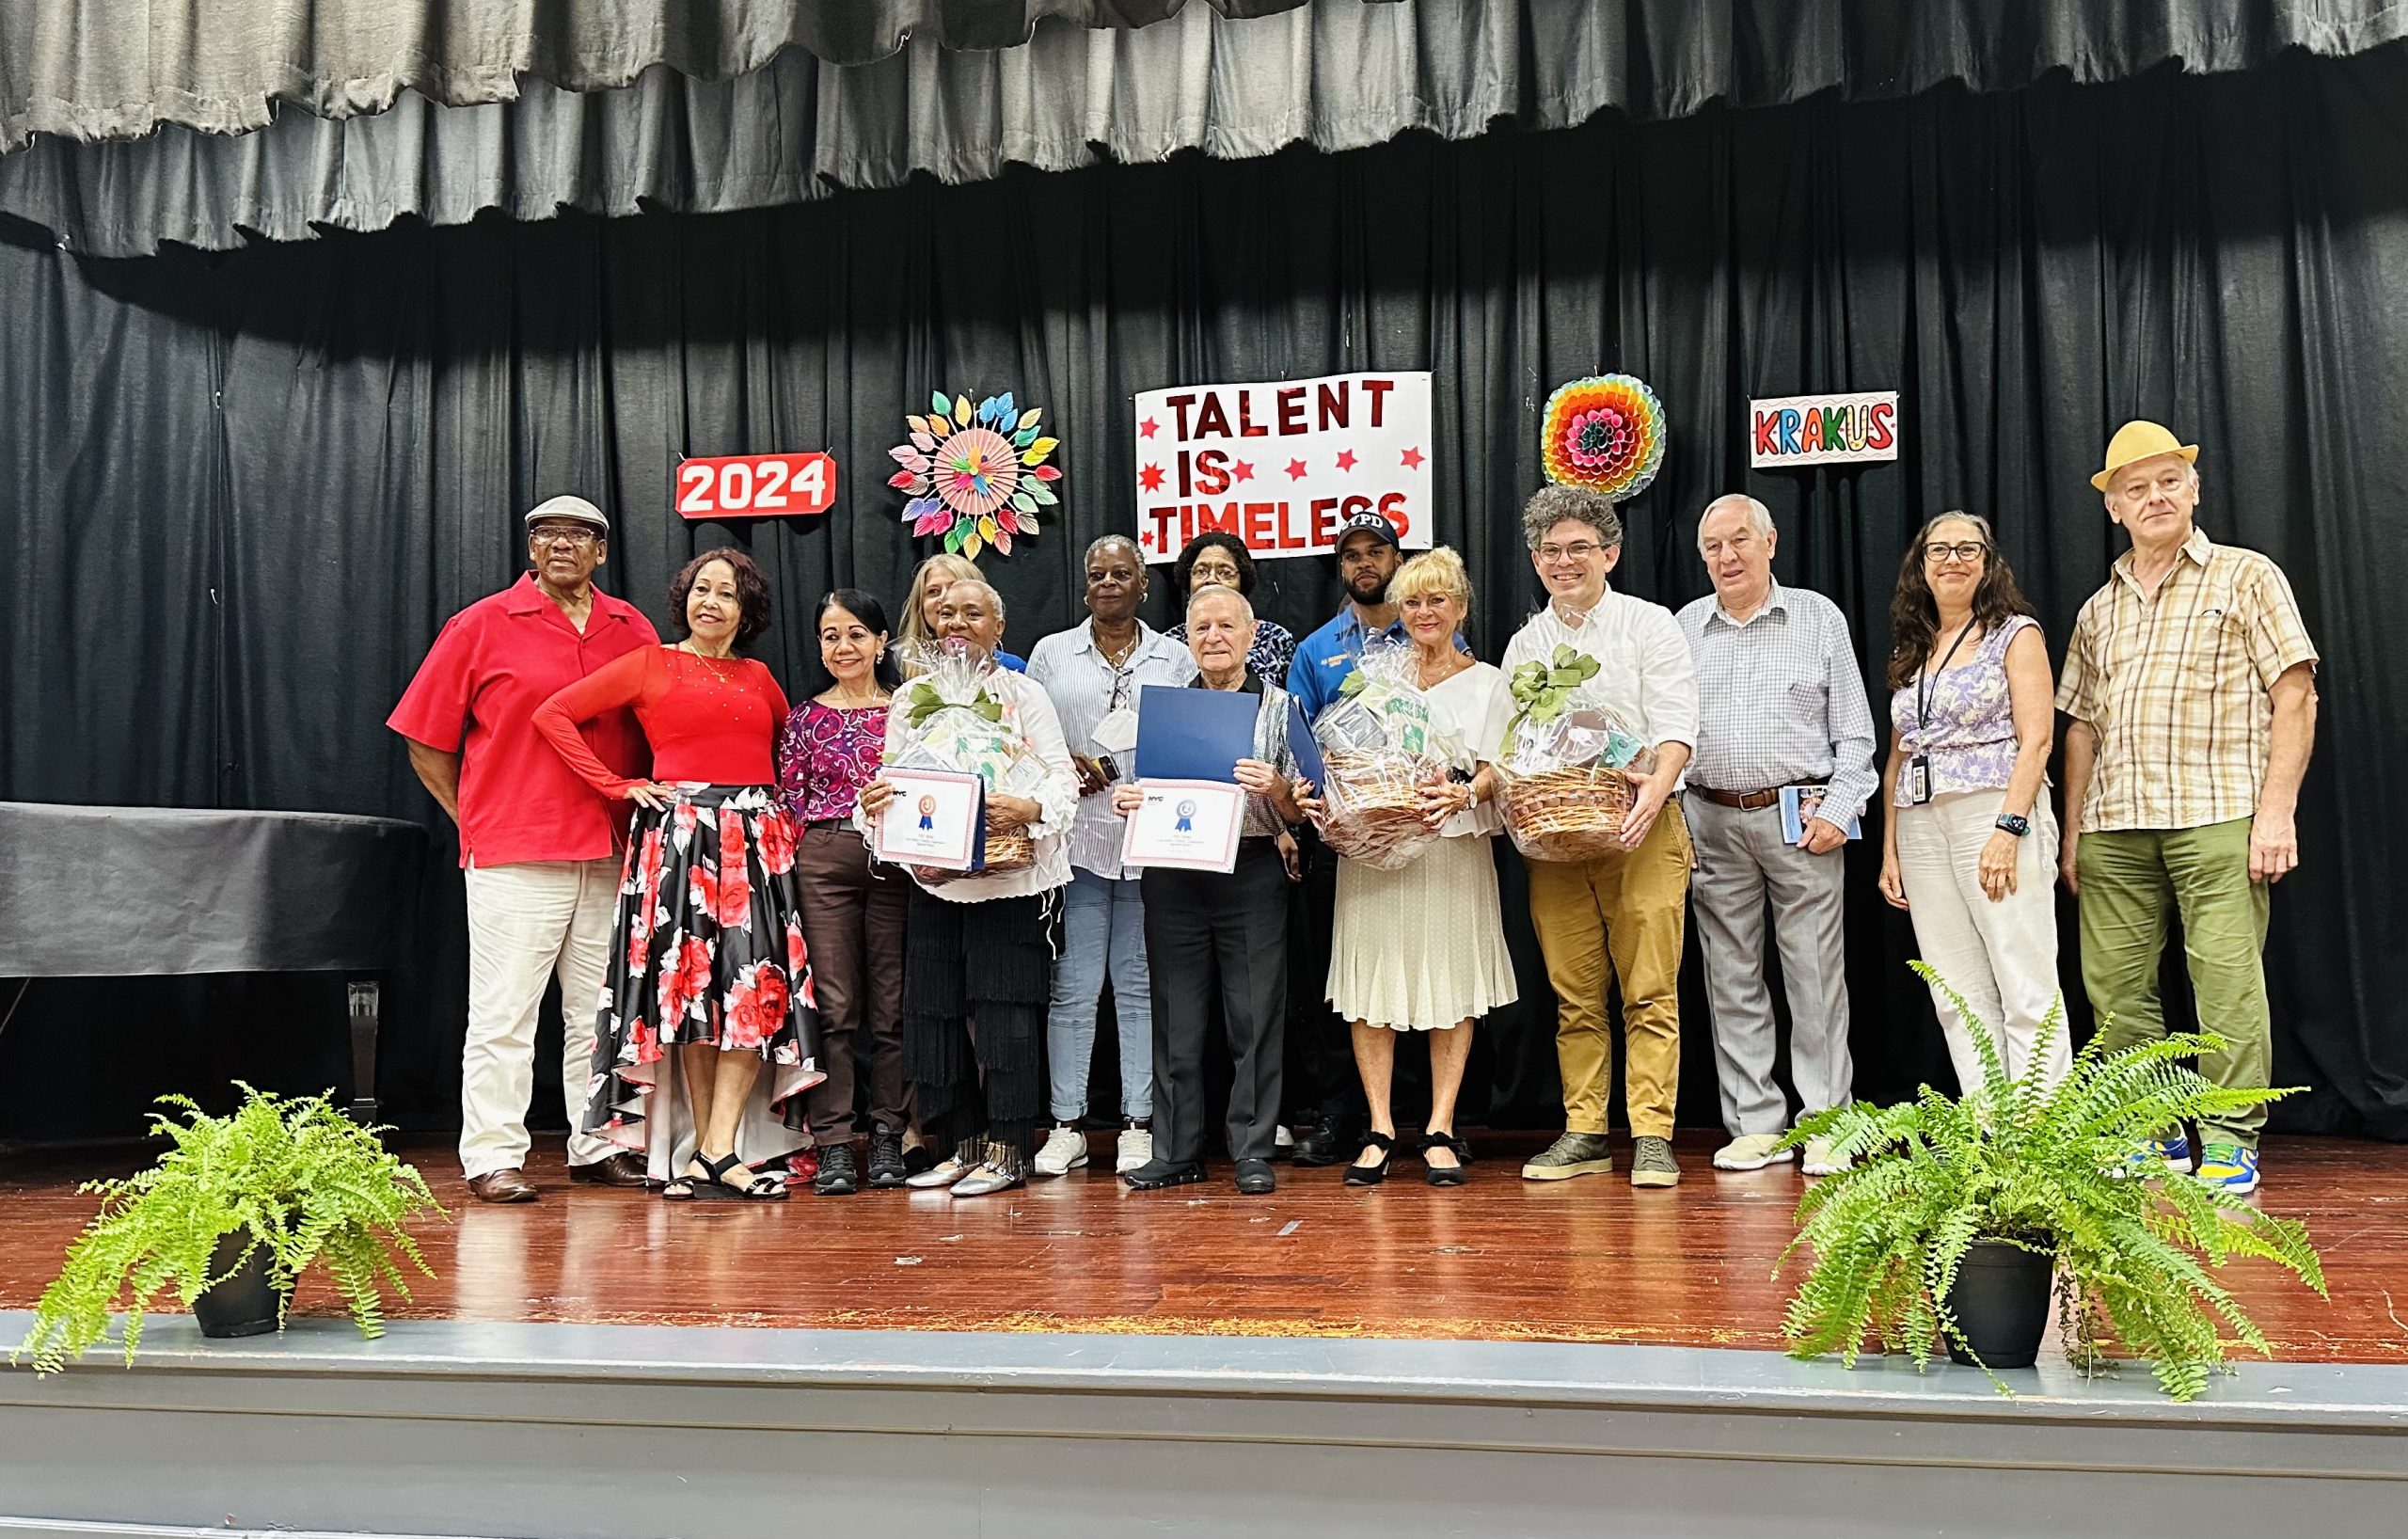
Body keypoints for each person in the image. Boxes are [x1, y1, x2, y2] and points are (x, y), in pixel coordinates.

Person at [2058, 421, 2319, 1194]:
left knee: (2227, 985)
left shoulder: (2247, 576)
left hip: (2219, 813)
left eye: (2169, 481)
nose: (2155, 498)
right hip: (2113, 825)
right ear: (2113, 507)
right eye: (2135, 488)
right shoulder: (2096, 609)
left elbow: (2296, 695)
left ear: (2194, 489)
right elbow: (2081, 728)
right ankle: (2150, 1133)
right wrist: (2072, 834)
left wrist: (2277, 813)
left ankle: (2231, 1140)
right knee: (2116, 993)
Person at [387, 495, 657, 1203]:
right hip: (515, 850)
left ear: (602, 550)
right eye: (547, 534)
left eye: (579, 534)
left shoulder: (632, 628)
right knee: (505, 1012)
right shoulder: (480, 624)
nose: (562, 544)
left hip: (610, 847)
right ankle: (493, 1156)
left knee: (599, 1012)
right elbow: (424, 738)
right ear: (531, 548)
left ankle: (599, 1144)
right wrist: (473, 819)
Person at [531, 547, 822, 1201]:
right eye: (700, 589)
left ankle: (717, 1149)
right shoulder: (650, 663)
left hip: (755, 845)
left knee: (751, 990)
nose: (710, 602)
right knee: (693, 992)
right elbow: (553, 714)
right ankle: (708, 1151)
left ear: (746, 611)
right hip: (682, 842)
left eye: (726, 593)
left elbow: (789, 751)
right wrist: (616, 785)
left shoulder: (759, 677)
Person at [1675, 495, 1877, 1178]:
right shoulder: (1684, 627)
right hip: (1709, 818)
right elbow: (1666, 733)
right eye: (1713, 546)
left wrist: (1838, 810)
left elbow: (1856, 734)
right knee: (1729, 976)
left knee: (1815, 977)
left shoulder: (1818, 617)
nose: (1726, 556)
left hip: (1803, 818)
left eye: (1739, 540)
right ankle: (1755, 1125)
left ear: (1771, 542)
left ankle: (1827, 1123)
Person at [857, 578, 1078, 1198]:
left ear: (998, 627)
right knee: (934, 1018)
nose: (956, 622)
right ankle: (962, 1146)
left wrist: (1028, 807)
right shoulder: (913, 698)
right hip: (935, 883)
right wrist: (875, 803)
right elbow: (892, 780)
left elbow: (1062, 781)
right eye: (946, 612)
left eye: (972, 612)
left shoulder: (1024, 693)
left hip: (1011, 883)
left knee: (1007, 1019)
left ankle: (1010, 1151)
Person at [1503, 485, 1698, 1189]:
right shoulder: (1525, 645)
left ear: (1610, 553)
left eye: (1579, 548)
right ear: (1535, 561)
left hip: (1642, 829)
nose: (1564, 561)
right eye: (1551, 551)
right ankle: (1585, 1130)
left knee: (1649, 991)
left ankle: (1652, 1135)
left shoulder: (1650, 625)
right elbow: (1513, 742)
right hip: (1557, 838)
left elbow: (1677, 725)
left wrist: (1654, 790)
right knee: (1574, 995)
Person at [1314, 547, 1517, 1187]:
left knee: (1451, 988)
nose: (1425, 612)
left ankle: (1440, 1127)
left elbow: (1501, 766)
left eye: (1438, 600)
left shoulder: (1488, 683)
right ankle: (1379, 1128)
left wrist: (1467, 792)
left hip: (1452, 852)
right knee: (1369, 990)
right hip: (1376, 853)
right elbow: (1343, 753)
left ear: (1461, 608)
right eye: (1413, 601)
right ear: (1398, 610)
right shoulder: (1374, 682)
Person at [1115, 585, 1306, 1194]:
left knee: (1255, 1016)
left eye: (1226, 626)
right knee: (1176, 1015)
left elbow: (1306, 811)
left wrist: (1278, 790)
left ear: (1251, 636)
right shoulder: (1165, 708)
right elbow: (1141, 786)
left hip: (1251, 870)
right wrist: (1130, 800)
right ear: (1188, 640)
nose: (1214, 637)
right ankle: (1176, 1151)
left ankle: (1251, 1149)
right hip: (1173, 873)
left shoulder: (1281, 707)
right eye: (1202, 628)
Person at [1876, 512, 2070, 1098]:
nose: (1953, 560)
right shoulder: (1913, 647)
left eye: (1968, 549)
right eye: (1939, 550)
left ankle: (2041, 1132)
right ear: (1921, 565)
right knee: (1955, 990)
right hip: (1920, 824)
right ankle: (1989, 1128)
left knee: (2023, 977)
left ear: (1988, 563)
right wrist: (1890, 850)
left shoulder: (2016, 633)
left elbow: (2037, 740)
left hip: (1993, 813)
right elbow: (1898, 756)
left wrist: (2009, 829)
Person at [1025, 536, 1196, 1177]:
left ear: (1144, 585)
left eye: (1122, 574)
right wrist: (1063, 759)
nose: (1108, 583)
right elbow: (1025, 738)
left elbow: (1189, 741)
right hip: (1077, 848)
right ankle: (1066, 1125)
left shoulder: (1175, 657)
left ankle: (1138, 1123)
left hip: (1152, 848)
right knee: (1072, 989)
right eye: (1097, 574)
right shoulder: (1051, 654)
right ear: (1084, 584)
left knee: (1139, 988)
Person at [1280, 511, 1409, 1166]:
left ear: (1397, 560)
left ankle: (1423, 1118)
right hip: (1340, 838)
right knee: (1341, 979)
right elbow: (1296, 736)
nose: (1365, 563)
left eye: (1375, 552)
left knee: (1417, 972)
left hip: (1417, 833)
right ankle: (1340, 1116)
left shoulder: (1430, 628)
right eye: (1352, 555)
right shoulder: (1316, 649)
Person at [775, 590, 910, 1196]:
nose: (844, 646)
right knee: (834, 1005)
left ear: (881, 642)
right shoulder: (804, 718)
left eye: (856, 633)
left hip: (898, 862)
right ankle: (832, 1140)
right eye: (831, 636)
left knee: (893, 1003)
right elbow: (790, 799)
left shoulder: (909, 710)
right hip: (825, 859)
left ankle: (888, 1132)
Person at [1164, 531, 1298, 682]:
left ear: (1242, 582)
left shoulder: (1275, 639)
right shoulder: (1169, 644)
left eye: (1225, 572)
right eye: (1201, 571)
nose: (1211, 579)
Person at [898, 552, 1026, 673]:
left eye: (953, 587)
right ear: (919, 603)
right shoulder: (899, 663)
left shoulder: (1013, 668)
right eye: (933, 591)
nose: (943, 598)